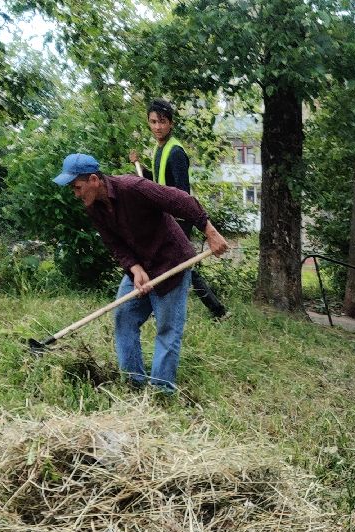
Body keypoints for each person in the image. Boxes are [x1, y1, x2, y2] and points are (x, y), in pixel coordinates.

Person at [53, 152, 228, 393]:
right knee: (124, 318)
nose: (76, 193)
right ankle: (134, 384)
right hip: (140, 264)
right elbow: (114, 243)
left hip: (170, 262)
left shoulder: (133, 187)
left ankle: (161, 391)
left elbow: (180, 200)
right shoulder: (94, 207)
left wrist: (210, 232)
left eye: (77, 186)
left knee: (167, 329)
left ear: (94, 180)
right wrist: (134, 269)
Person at [129, 99, 229, 322]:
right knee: (182, 266)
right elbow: (157, 185)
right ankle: (217, 311)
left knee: (182, 266)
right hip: (166, 218)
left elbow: (182, 193)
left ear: (171, 123)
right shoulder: (159, 148)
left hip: (178, 219)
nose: (157, 127)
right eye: (153, 122)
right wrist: (141, 169)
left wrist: (180, 221)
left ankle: (217, 310)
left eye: (162, 122)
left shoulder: (175, 153)